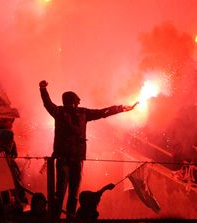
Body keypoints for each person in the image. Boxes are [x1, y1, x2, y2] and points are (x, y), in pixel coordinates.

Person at [38, 80, 136, 219]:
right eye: (76, 101)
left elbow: (103, 112)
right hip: (66, 159)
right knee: (64, 194)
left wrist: (121, 108)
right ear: (72, 101)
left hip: (74, 159)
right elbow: (103, 112)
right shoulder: (70, 112)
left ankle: (66, 218)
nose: (77, 103)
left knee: (70, 194)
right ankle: (59, 219)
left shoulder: (73, 112)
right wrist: (43, 89)